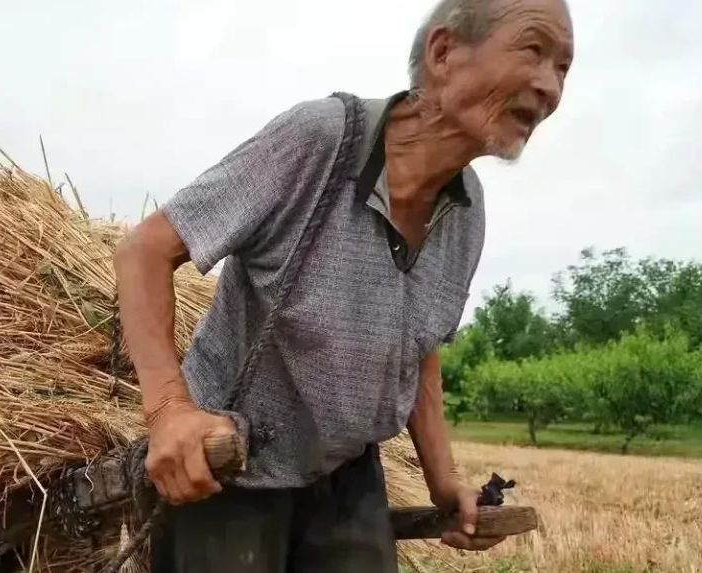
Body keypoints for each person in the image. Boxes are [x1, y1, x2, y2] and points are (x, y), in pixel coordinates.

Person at [113, 0, 574, 570]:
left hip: (348, 476)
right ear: (443, 52)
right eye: (534, 51)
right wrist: (168, 413)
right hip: (232, 470)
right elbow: (143, 252)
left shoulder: (467, 209)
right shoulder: (322, 144)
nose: (549, 86)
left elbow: (419, 347)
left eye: (563, 69)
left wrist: (443, 480)